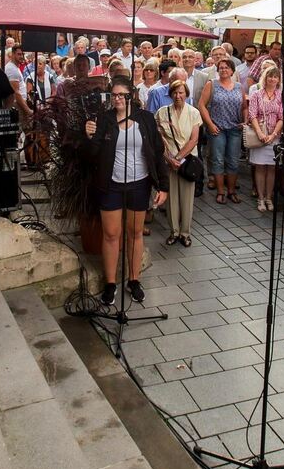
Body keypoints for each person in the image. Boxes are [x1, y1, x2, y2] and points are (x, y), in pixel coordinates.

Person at [84, 75, 168, 306]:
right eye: (114, 95)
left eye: (122, 95)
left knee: (135, 233)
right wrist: (90, 136)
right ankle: (110, 283)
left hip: (139, 184)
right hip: (111, 184)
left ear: (132, 95)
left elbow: (157, 153)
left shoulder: (146, 119)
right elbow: (92, 155)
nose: (117, 99)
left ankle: (134, 279)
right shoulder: (105, 119)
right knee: (111, 234)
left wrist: (163, 185)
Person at [156, 80, 201, 247]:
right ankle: (173, 231)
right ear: (170, 94)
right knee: (172, 198)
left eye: (181, 92)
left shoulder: (194, 113)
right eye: (175, 92)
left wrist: (179, 159)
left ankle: (185, 233)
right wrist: (169, 159)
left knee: (187, 198)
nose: (178, 96)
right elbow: (159, 140)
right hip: (168, 162)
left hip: (187, 162)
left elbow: (194, 139)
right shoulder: (161, 113)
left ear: (186, 94)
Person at [199, 58, 246, 204]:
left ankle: (231, 191)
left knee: (233, 161)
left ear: (232, 71)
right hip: (217, 129)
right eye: (221, 67)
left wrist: (245, 120)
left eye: (227, 67)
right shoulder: (211, 84)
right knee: (218, 160)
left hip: (234, 129)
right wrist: (210, 124)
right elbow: (201, 105)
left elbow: (244, 106)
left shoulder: (239, 87)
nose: (224, 70)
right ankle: (220, 192)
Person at [248, 65, 284, 213]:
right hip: (259, 136)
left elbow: (282, 118)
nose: (273, 79)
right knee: (260, 167)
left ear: (278, 79)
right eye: (270, 76)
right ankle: (261, 198)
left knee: (272, 168)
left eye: (276, 76)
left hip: (274, 136)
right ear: (265, 77)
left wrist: (273, 135)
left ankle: (269, 197)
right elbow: (252, 115)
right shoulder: (256, 94)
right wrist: (260, 133)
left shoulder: (281, 95)